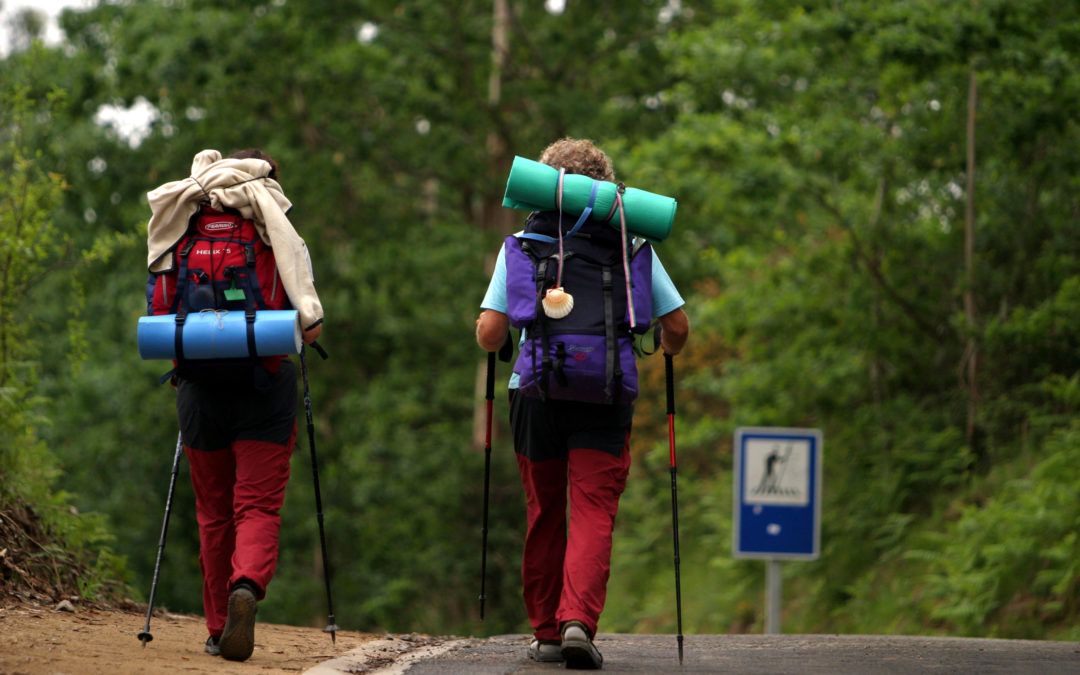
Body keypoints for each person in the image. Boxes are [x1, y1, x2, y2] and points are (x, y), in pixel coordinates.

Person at [475, 138, 689, 669]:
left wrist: (500, 337)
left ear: (546, 187)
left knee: (545, 511)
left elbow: (490, 332)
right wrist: (662, 346)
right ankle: (578, 621)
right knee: (593, 510)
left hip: (536, 393)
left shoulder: (524, 244)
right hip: (607, 393)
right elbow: (678, 327)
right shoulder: (631, 244)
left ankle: (546, 632)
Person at [145, 148, 324, 661]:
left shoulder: (182, 223)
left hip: (199, 392)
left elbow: (160, 312)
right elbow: (309, 328)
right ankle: (246, 584)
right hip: (264, 387)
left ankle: (218, 623)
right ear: (267, 186)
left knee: (213, 512)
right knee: (257, 505)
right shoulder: (274, 233)